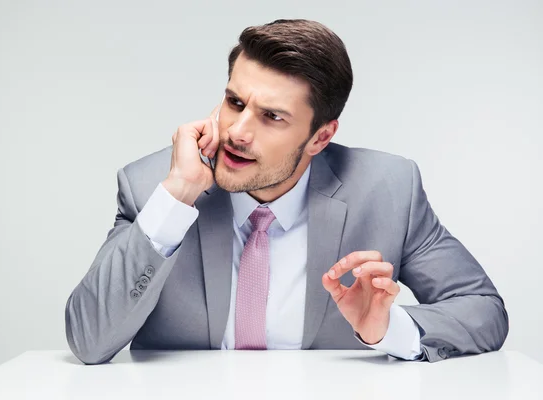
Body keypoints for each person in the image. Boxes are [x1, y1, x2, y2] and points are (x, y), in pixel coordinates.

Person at [65, 19, 508, 364]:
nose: (237, 132)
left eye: (272, 117)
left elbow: (483, 310)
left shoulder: (388, 189)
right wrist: (177, 196)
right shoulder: (152, 188)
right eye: (235, 102)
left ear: (320, 137)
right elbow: (89, 341)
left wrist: (387, 329)